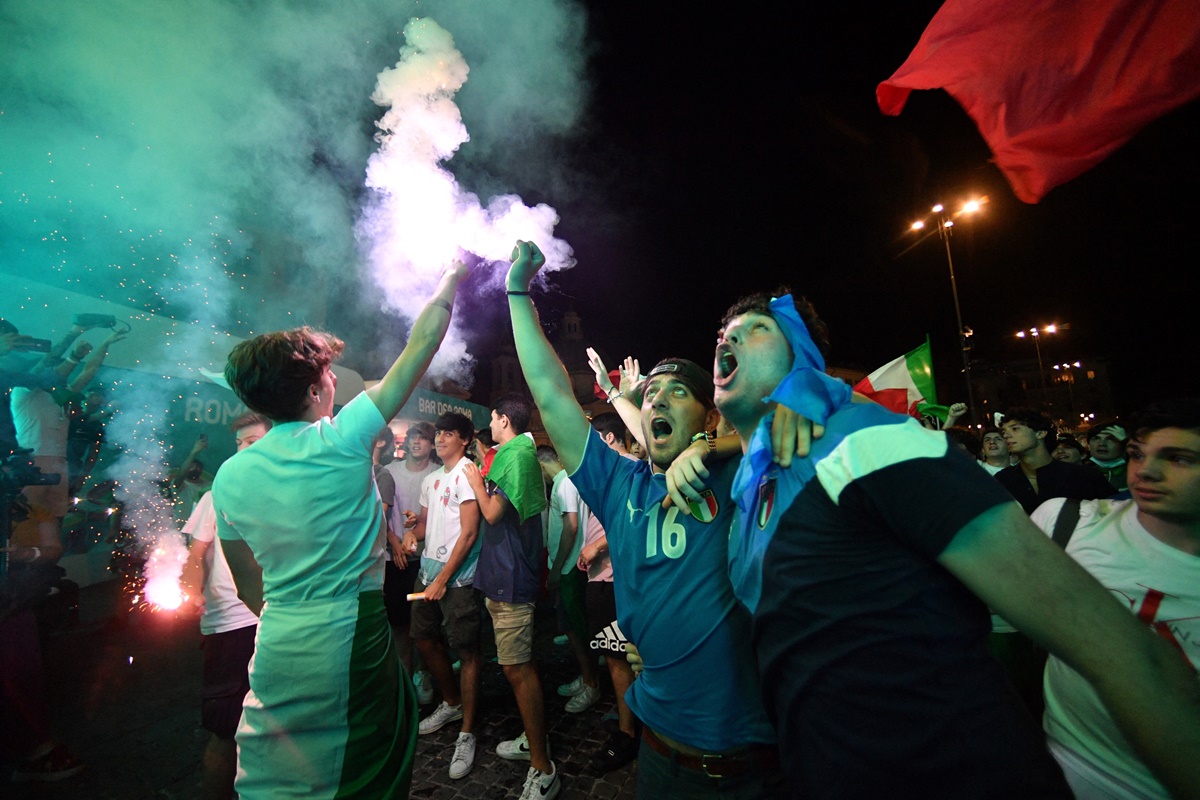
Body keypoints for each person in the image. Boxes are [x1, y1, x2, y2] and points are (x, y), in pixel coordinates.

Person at [709, 288, 1200, 799]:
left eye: (758, 328)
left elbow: (1118, 650)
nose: (731, 337)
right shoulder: (750, 490)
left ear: (803, 356)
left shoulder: (863, 441)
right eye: (724, 334)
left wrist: (833, 394)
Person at [501, 242, 784, 799]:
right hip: (656, 758)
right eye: (651, 394)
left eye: (678, 393)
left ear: (707, 412)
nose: (657, 402)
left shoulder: (743, 475)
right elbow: (553, 393)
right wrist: (517, 293)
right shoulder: (619, 484)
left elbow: (788, 421)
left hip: (752, 766)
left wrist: (717, 448)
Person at [210, 262, 466, 799]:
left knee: (275, 775)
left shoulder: (229, 475)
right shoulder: (342, 438)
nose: (334, 380)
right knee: (361, 772)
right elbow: (422, 344)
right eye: (328, 373)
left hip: (276, 642)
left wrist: (296, 616)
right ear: (313, 387)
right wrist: (451, 277)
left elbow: (248, 587)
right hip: (348, 636)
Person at [1032, 398, 1200, 800]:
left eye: (1178, 458)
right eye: (1137, 454)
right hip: (1062, 770)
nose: (1146, 471)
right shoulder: (1066, 523)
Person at [460, 392, 557, 800]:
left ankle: (543, 767)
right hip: (504, 574)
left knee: (518, 670)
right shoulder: (515, 451)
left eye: (493, 418)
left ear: (503, 419)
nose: (492, 425)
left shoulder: (515, 455)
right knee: (520, 665)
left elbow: (493, 513)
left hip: (513, 579)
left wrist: (474, 482)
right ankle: (531, 741)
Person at [179, 412, 270, 800]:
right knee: (226, 730)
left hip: (275, 622)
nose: (242, 452)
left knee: (274, 727)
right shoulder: (215, 496)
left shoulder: (283, 494)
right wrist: (191, 589)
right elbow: (195, 555)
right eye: (239, 444)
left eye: (252, 443)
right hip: (231, 626)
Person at [404, 412, 483, 781]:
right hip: (427, 573)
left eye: (447, 434)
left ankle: (467, 731)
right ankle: (451, 702)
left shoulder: (467, 473)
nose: (438, 439)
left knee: (466, 649)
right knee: (423, 638)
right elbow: (423, 525)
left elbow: (468, 534)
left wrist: (444, 580)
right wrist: (411, 533)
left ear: (464, 439)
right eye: (438, 433)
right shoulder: (432, 478)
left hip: (458, 580)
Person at [576, 412, 641, 773]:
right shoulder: (613, 469)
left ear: (611, 438)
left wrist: (597, 547)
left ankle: (627, 733)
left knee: (619, 658)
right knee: (617, 655)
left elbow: (631, 518)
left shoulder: (627, 465)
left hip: (613, 577)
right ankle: (629, 717)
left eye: (595, 439)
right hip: (606, 577)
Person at [536, 444, 598, 713]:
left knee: (575, 628)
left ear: (540, 465)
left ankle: (592, 684)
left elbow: (571, 527)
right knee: (572, 627)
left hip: (569, 567)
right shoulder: (570, 480)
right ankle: (586, 677)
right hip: (571, 565)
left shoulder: (563, 484)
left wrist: (557, 568)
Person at [382, 420, 438, 703]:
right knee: (399, 623)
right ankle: (404, 676)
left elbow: (435, 521)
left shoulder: (437, 474)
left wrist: (412, 538)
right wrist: (394, 541)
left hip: (424, 560)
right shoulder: (389, 471)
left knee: (424, 624)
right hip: (394, 561)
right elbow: (379, 515)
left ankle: (423, 673)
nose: (416, 442)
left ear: (432, 444)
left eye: (423, 438)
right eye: (413, 437)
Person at [996, 407, 1117, 513]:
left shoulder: (1083, 476)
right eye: (1004, 431)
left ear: (1040, 434)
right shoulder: (1002, 481)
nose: (1006, 435)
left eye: (1015, 429)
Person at [1085, 421, 1129, 491]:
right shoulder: (1080, 474)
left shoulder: (1135, 473)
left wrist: (1128, 443)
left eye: (1111, 439)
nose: (1102, 444)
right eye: (1096, 438)